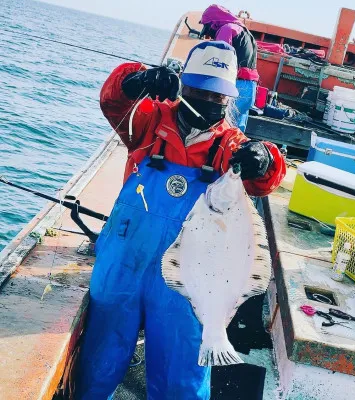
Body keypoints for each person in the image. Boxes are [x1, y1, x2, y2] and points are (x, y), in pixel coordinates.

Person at [74, 41, 286, 400]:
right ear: (183, 86)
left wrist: (265, 158)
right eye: (198, 90)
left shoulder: (231, 146)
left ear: (229, 98)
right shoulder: (148, 121)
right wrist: (136, 80)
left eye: (218, 96)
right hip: (123, 265)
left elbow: (264, 181)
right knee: (97, 361)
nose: (207, 100)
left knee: (180, 377)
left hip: (187, 285)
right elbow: (113, 101)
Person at [200, 4, 259, 132]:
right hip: (250, 90)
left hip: (235, 87)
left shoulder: (227, 29)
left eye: (207, 27)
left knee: (219, 130)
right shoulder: (246, 33)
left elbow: (218, 61)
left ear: (213, 23)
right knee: (236, 133)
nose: (208, 33)